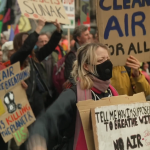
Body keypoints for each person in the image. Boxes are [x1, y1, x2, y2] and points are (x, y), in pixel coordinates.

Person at [27, 43, 118, 150]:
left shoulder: (111, 91)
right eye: (100, 60)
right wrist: (38, 141)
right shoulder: (73, 94)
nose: (106, 63)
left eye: (108, 59)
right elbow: (47, 120)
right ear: (86, 66)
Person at [10, 18, 62, 117]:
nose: (32, 42)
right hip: (26, 99)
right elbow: (26, 48)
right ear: (19, 44)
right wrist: (39, 27)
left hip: (39, 98)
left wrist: (58, 31)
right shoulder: (16, 58)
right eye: (27, 40)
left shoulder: (34, 58)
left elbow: (49, 47)